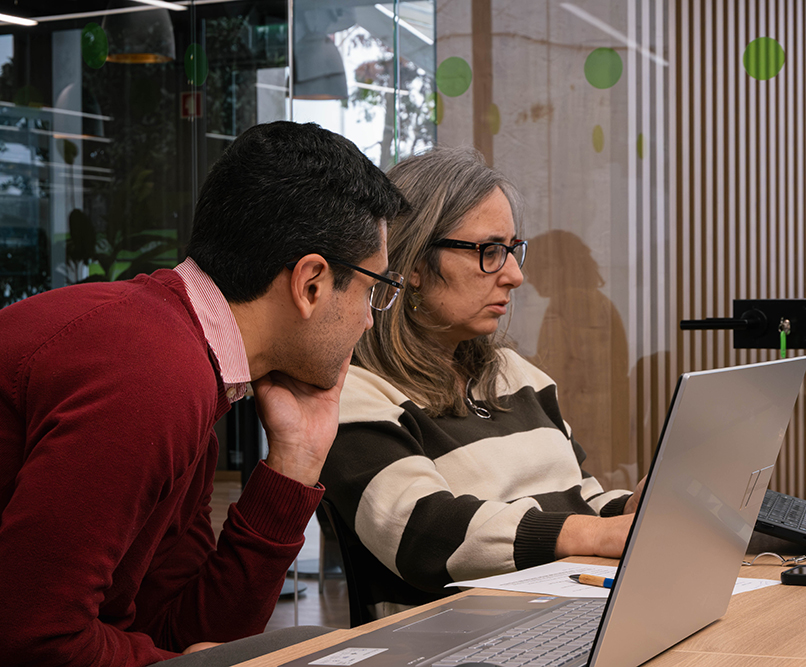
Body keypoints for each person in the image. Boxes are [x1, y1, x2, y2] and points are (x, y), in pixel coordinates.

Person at [0, 121, 407, 666]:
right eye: (373, 290)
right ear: (311, 283)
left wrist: (295, 464)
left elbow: (190, 635)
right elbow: (33, 638)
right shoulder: (152, 374)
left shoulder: (181, 362)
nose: (368, 321)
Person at [321, 146, 644, 622]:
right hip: (456, 637)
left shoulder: (517, 375)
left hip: (567, 615)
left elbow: (580, 500)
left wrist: (639, 507)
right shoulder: (355, 393)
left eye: (512, 250)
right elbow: (422, 533)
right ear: (413, 264)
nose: (515, 275)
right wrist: (594, 534)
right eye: (489, 252)